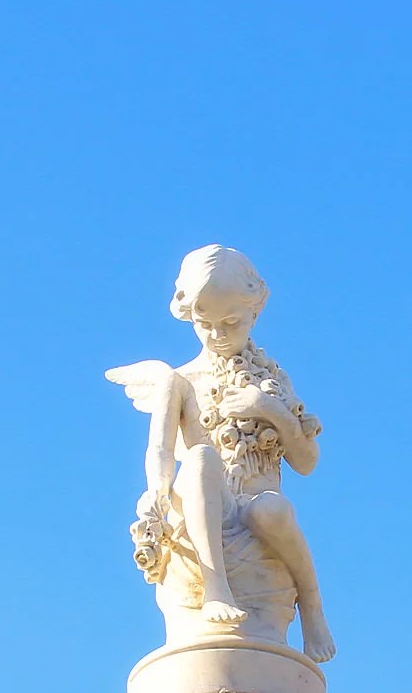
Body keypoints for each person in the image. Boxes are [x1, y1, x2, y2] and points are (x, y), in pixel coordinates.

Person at [108, 245, 335, 662]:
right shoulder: (179, 381)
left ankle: (313, 607)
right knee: (199, 458)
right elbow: (159, 448)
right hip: (203, 507)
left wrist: (267, 409)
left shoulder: (269, 381)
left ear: (256, 310)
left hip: (259, 509)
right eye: (205, 323)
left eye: (232, 322)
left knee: (272, 512)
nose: (218, 334)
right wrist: (156, 494)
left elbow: (306, 462)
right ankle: (216, 587)